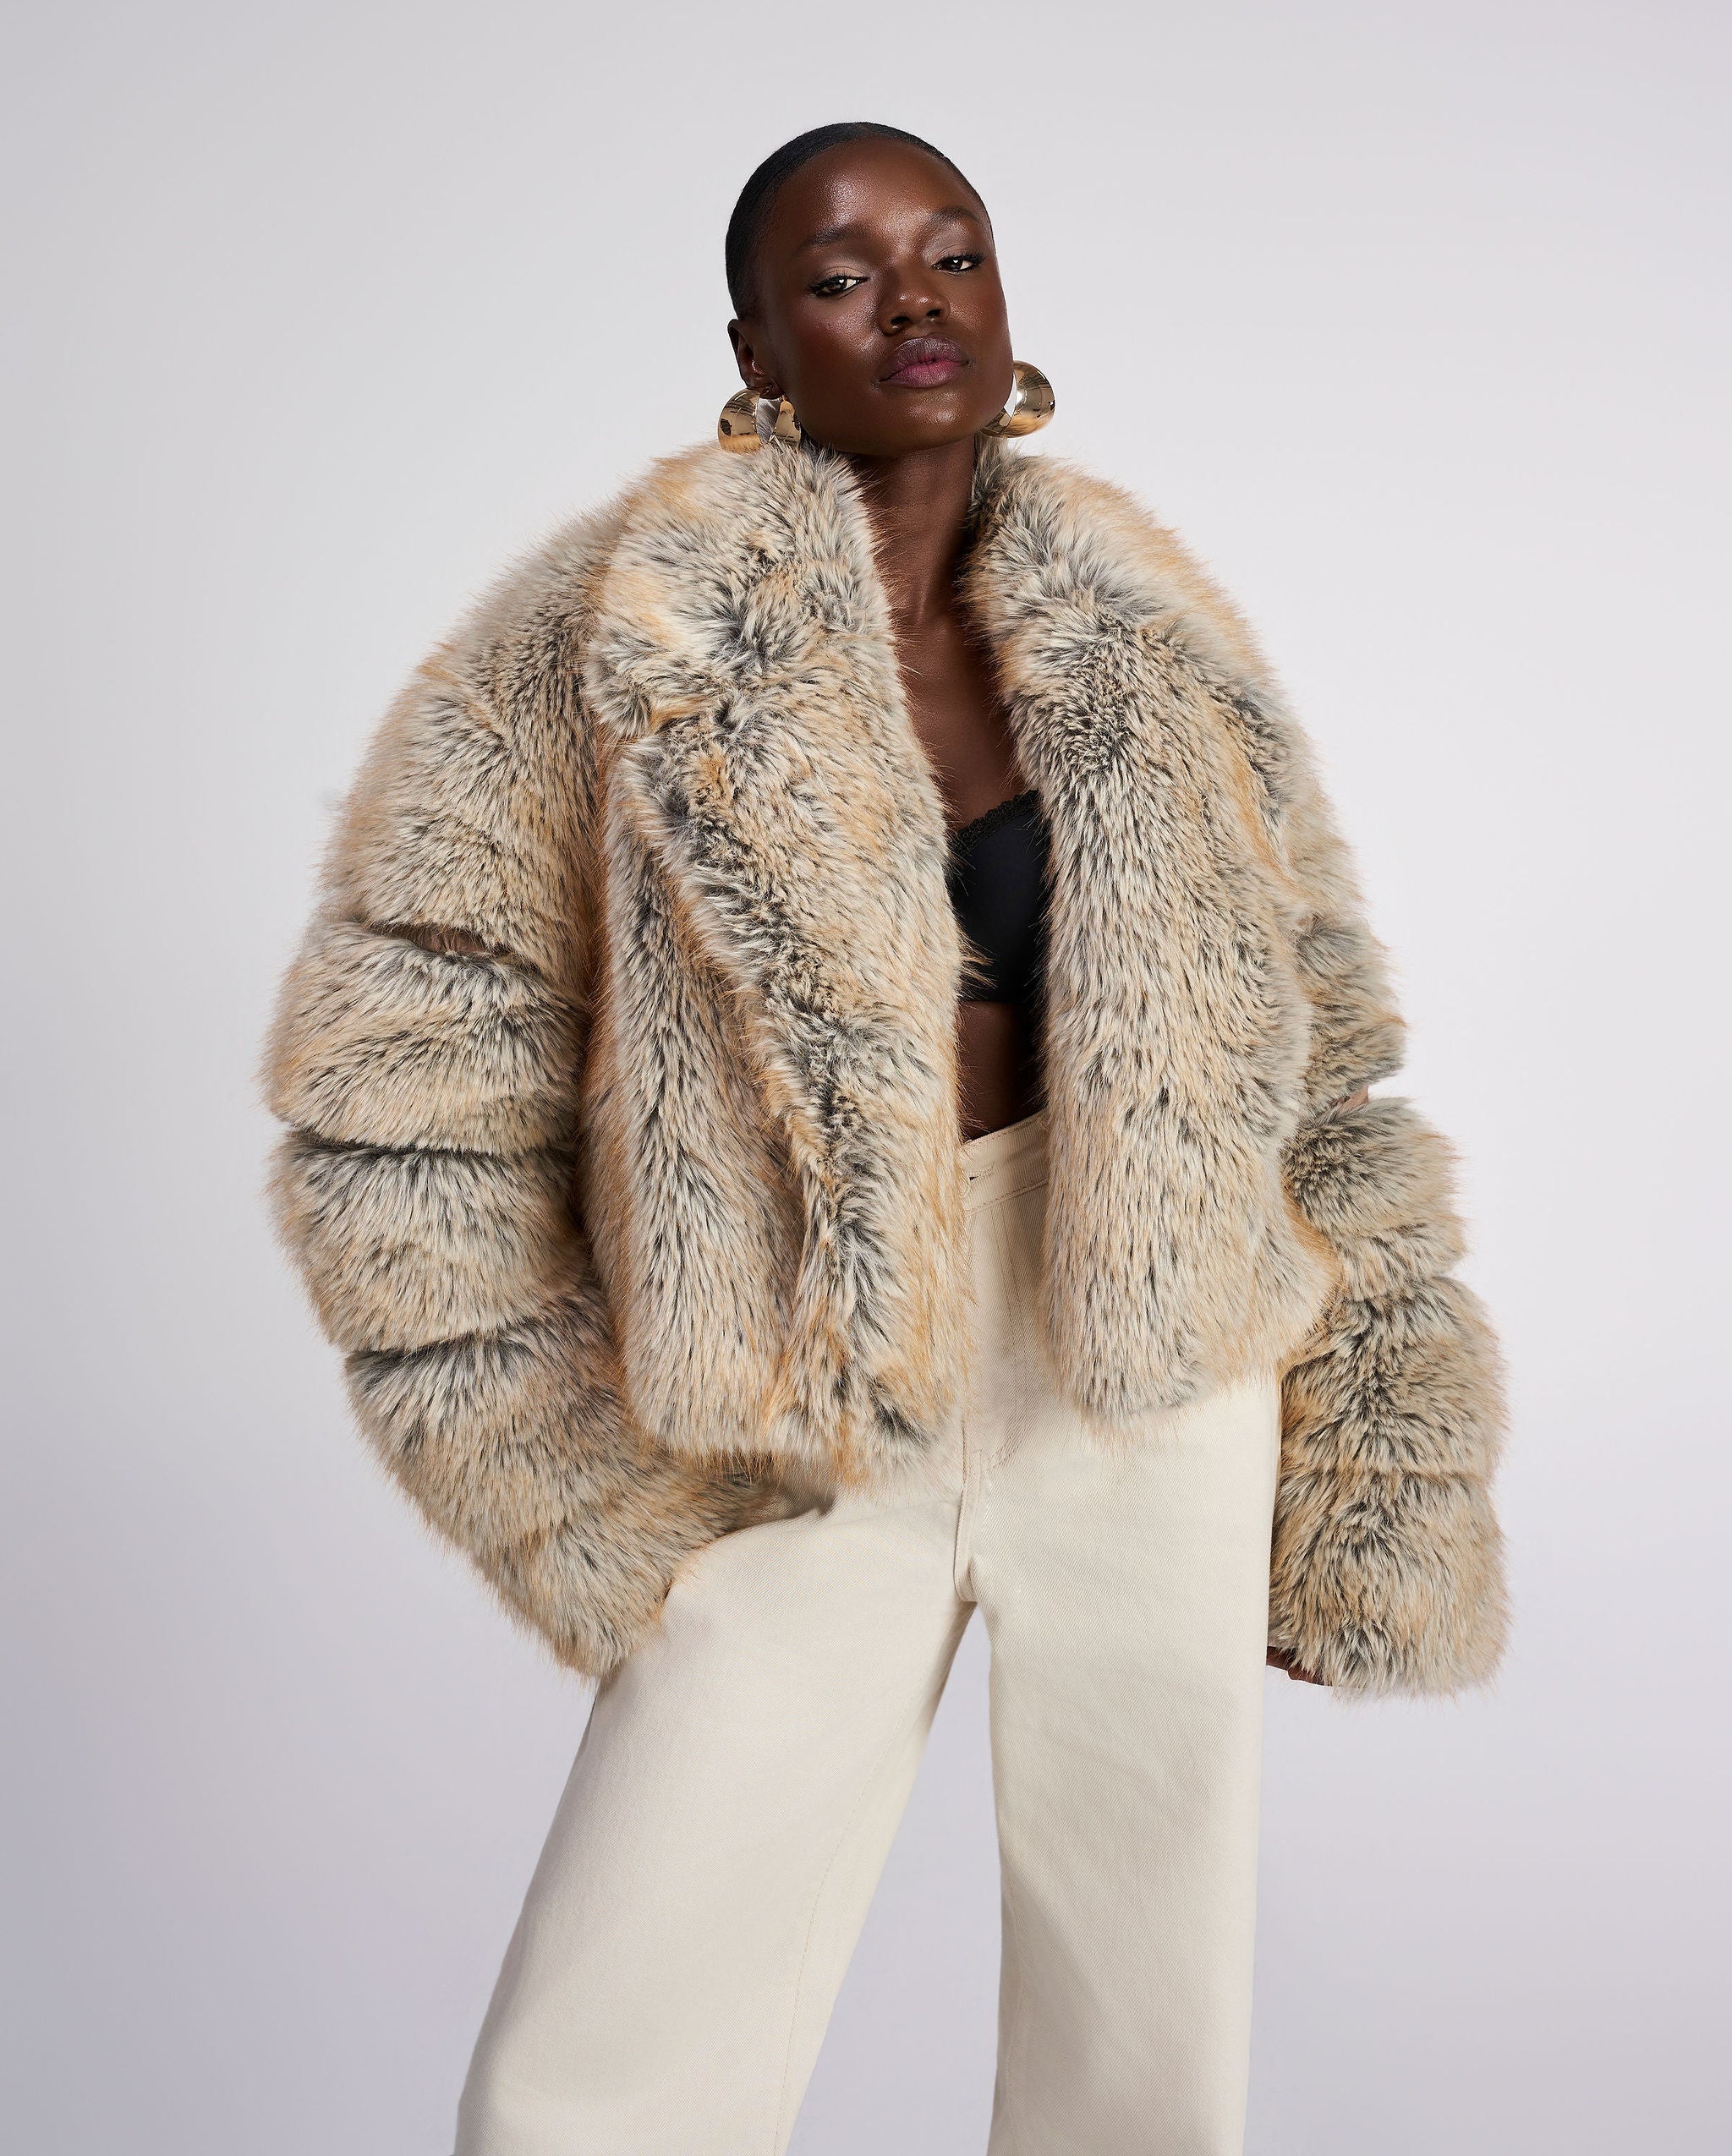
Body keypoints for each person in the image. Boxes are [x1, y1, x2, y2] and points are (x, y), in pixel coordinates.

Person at [263, 122, 1509, 2156]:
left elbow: (1323, 1054)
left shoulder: (1149, 636)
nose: (913, 302)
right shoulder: (600, 638)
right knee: (605, 2053)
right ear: (755, 348)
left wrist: (1375, 1474)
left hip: (1150, 1361)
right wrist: (567, 1478)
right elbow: (395, 1093)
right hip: (799, 1395)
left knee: (1144, 2032)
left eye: (953, 253)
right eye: (842, 277)